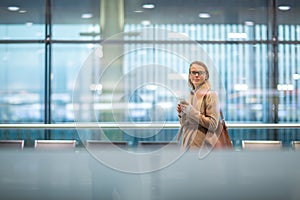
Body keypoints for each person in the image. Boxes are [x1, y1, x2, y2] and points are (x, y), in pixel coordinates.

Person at [176, 61, 220, 151]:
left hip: (202, 146)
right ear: (189, 75)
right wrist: (182, 114)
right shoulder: (192, 94)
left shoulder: (211, 94)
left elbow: (213, 124)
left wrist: (191, 111)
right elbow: (185, 124)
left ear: (206, 75)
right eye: (193, 72)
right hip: (188, 143)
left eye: (200, 72)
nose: (196, 75)